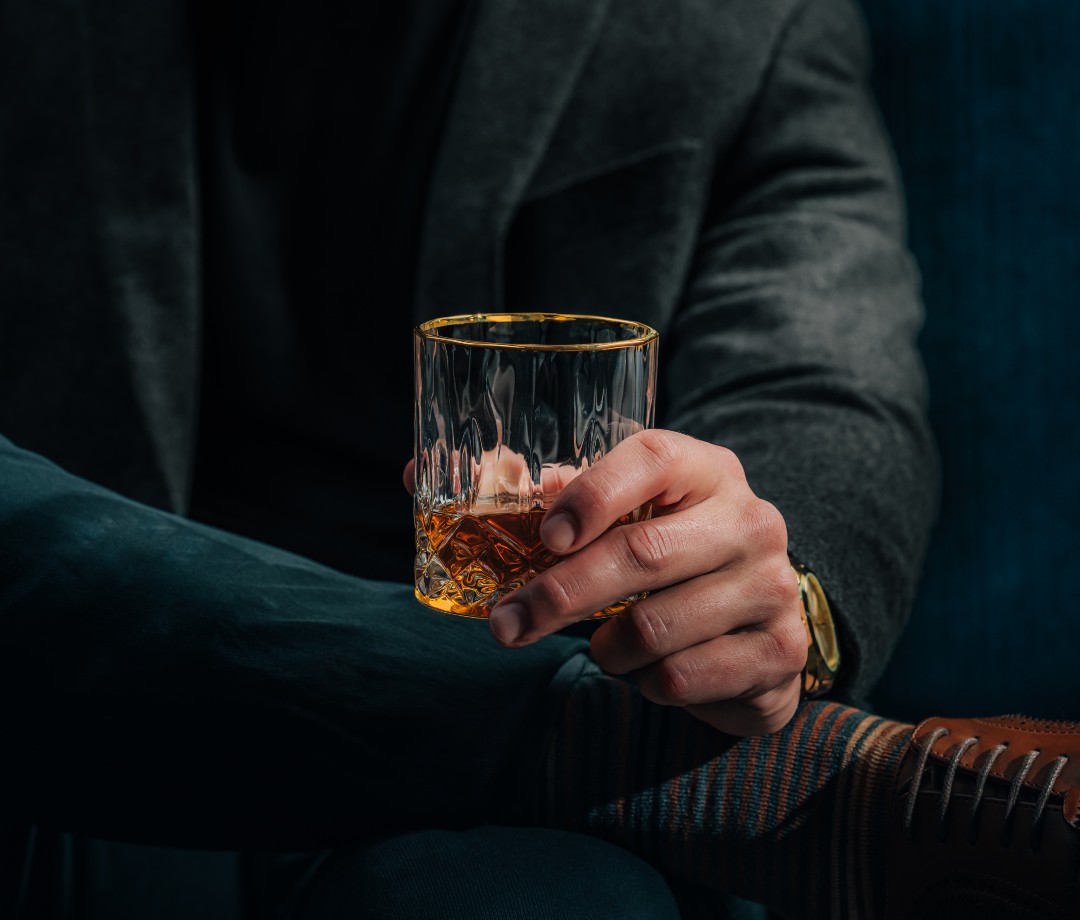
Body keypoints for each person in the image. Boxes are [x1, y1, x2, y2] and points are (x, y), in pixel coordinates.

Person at [0, 1, 1075, 919]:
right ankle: (648, 754)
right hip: (71, 721)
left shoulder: (737, 19)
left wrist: (763, 596)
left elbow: (828, 377)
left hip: (509, 770)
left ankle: (592, 748)